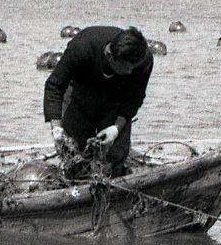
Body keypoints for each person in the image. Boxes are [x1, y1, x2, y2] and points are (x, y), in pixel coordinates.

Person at [43, 25, 153, 173]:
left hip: (115, 97)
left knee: (114, 157)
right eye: (126, 67)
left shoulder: (143, 60)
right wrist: (56, 129)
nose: (130, 72)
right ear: (109, 55)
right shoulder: (83, 46)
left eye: (133, 68)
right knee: (75, 155)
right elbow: (54, 85)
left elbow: (133, 99)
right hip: (80, 91)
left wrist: (115, 129)